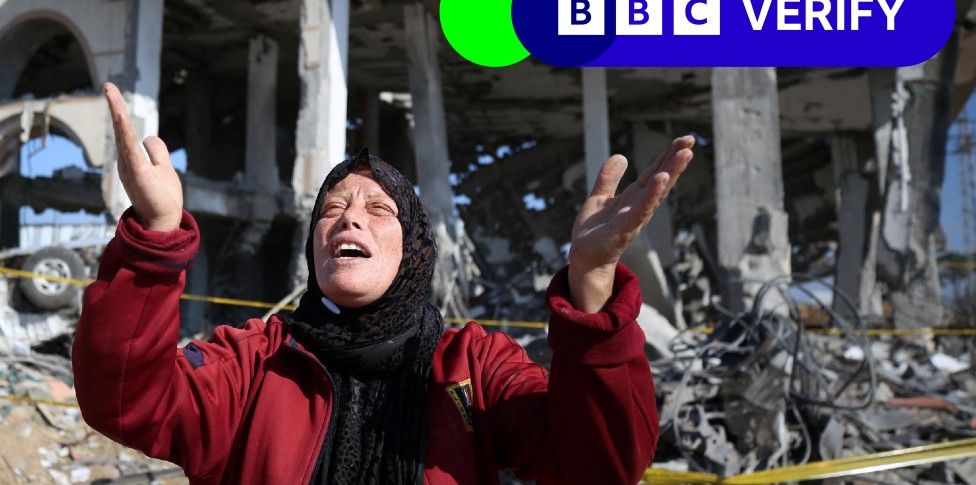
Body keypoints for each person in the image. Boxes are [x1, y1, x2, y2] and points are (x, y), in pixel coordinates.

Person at [72, 83, 694, 484]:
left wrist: (591, 282)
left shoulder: (474, 366)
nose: (347, 217)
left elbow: (603, 465)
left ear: (415, 248)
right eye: (333, 208)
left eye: (378, 209)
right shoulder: (253, 363)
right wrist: (154, 237)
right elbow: (126, 400)